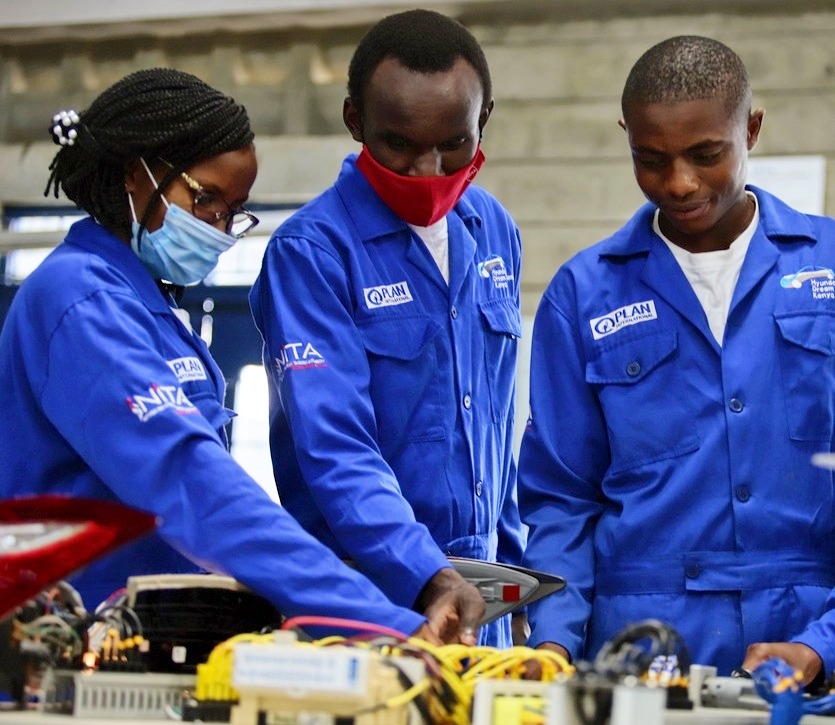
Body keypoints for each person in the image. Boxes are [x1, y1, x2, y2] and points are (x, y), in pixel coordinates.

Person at [0, 67, 457, 644]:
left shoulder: (153, 311)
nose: (217, 227)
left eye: (231, 211)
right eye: (205, 198)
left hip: (152, 638)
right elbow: (192, 482)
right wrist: (378, 619)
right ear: (132, 177)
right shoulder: (78, 301)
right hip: (71, 646)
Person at [519, 35, 835, 683]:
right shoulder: (583, 294)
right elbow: (561, 498)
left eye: (705, 154)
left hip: (808, 625)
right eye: (650, 159)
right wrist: (551, 641)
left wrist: (824, 644)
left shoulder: (825, 266)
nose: (679, 182)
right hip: (640, 649)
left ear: (750, 128)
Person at [249, 8, 526, 647]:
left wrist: (515, 581)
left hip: (481, 602)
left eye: (453, 143)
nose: (428, 170)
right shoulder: (314, 252)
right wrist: (424, 574)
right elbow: (335, 448)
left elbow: (497, 422)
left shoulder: (493, 230)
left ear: (483, 121)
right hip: (369, 601)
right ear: (356, 122)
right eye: (399, 144)